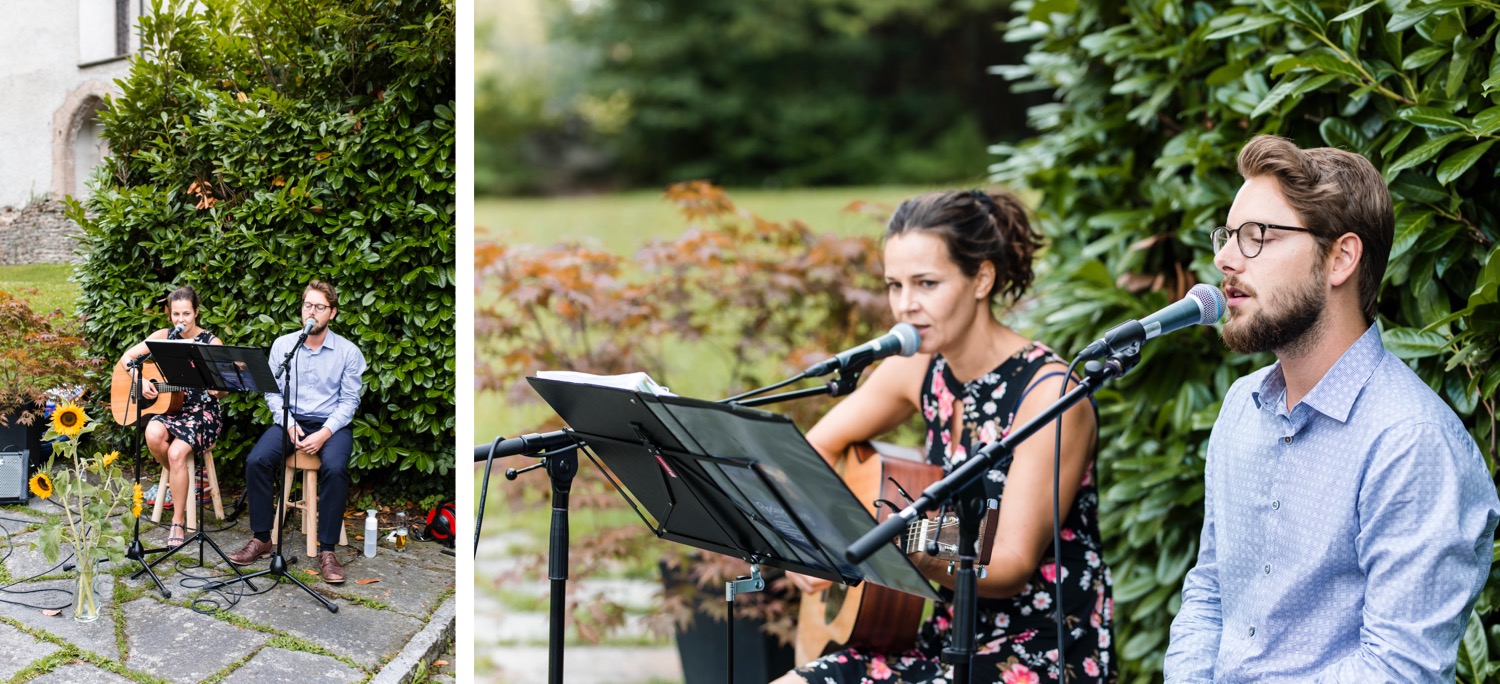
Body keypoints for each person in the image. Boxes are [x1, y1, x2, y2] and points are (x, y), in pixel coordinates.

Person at [1164, 135, 1500, 681]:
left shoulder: (1411, 441)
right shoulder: (1240, 408)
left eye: (1258, 237)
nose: (1224, 259)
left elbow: (1397, 669)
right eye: (1227, 236)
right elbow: (1209, 590)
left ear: (1340, 257)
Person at [777, 190, 1116, 683]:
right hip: (937, 634)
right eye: (895, 285)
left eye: (926, 284)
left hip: (1036, 649)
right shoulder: (918, 369)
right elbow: (811, 451)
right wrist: (808, 534)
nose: (905, 305)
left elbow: (1009, 560)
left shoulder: (1050, 394)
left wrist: (891, 539)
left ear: (982, 278)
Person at [227, 280, 367, 583]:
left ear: (332, 312)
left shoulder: (349, 352)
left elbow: (349, 401)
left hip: (331, 424)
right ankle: (262, 538)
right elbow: (273, 392)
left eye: (319, 307)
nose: (312, 312)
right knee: (257, 460)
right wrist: (288, 423)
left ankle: (328, 550)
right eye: (307, 305)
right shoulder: (283, 346)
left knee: (335, 466)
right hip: (291, 420)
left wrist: (325, 433)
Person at [116, 286, 226, 547]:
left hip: (203, 414)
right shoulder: (164, 337)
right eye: (176, 314)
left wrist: (218, 389)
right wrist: (139, 378)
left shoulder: (212, 343)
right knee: (152, 433)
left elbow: (222, 392)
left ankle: (177, 521)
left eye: (186, 313)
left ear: (196, 312)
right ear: (170, 315)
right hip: (172, 411)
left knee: (177, 454)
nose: (181, 320)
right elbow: (126, 358)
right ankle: (183, 480)